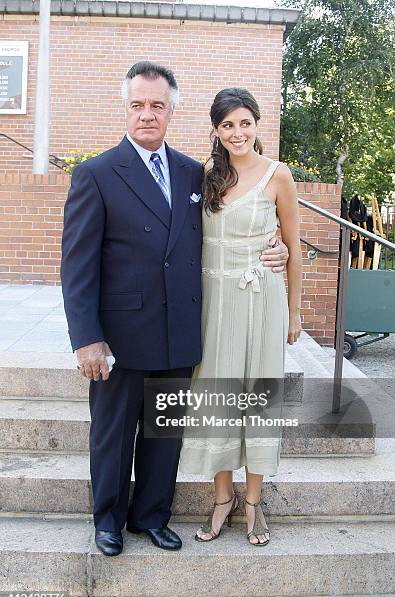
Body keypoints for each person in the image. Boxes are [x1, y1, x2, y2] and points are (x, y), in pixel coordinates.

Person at [61, 63, 289, 557]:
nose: (148, 115)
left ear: (172, 111)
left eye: (157, 105)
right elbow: (77, 265)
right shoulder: (96, 173)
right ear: (126, 108)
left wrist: (280, 250)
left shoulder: (195, 173)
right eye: (138, 105)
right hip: (120, 334)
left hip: (179, 330)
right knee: (114, 434)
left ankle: (152, 517)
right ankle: (109, 521)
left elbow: (227, 232)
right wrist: (86, 337)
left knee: (164, 437)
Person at [179, 88, 302, 546]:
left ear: (257, 124)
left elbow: (293, 249)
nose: (237, 133)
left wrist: (295, 311)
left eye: (244, 122)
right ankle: (221, 498)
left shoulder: (279, 175)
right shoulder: (206, 176)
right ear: (215, 130)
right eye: (227, 125)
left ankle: (253, 503)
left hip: (261, 299)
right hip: (213, 300)